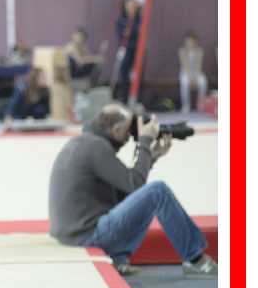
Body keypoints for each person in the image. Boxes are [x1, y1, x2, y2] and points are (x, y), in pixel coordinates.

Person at [48, 102, 217, 277]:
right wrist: (145, 142)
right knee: (157, 191)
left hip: (73, 234)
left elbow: (128, 190)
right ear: (116, 129)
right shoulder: (95, 147)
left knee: (144, 198)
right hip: (86, 236)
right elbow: (135, 184)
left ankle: (118, 259)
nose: (129, 136)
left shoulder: (84, 143)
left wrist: (151, 158)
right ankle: (196, 260)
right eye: (127, 131)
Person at [112, 0, 145, 105]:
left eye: (133, 6)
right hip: (126, 49)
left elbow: (139, 32)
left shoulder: (139, 20)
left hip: (137, 50)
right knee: (123, 73)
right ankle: (124, 98)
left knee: (137, 75)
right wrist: (126, 31)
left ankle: (136, 98)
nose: (130, 8)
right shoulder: (121, 20)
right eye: (128, 5)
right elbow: (121, 34)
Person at [178, 32, 208, 113]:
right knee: (184, 82)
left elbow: (199, 65)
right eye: (187, 41)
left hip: (196, 72)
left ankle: (201, 105)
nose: (189, 43)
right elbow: (185, 65)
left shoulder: (199, 51)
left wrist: (195, 78)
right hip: (185, 72)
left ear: (195, 42)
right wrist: (190, 78)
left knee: (203, 81)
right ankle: (186, 105)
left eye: (190, 41)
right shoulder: (182, 51)